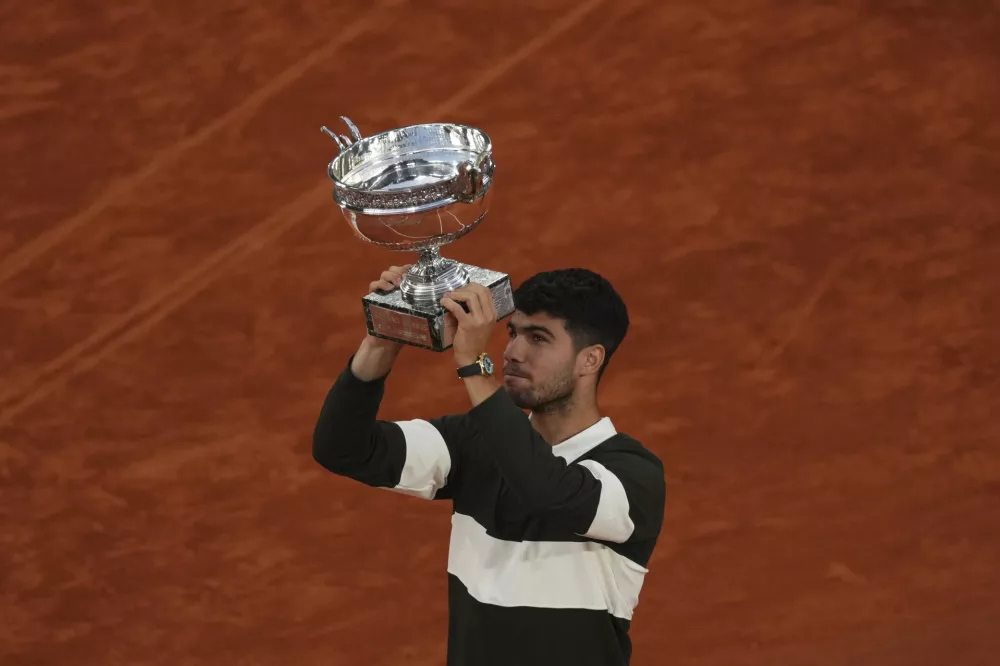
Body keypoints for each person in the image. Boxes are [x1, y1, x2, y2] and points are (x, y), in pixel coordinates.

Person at [312, 265, 666, 666]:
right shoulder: (474, 442)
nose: (512, 352)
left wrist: (475, 367)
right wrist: (383, 340)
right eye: (513, 333)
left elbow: (547, 490)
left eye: (538, 338)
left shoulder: (633, 476)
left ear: (590, 360)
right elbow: (342, 447)